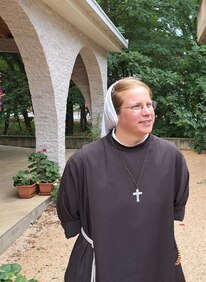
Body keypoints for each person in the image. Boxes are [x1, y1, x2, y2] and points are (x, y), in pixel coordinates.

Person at [57, 77, 189, 281]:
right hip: (104, 263)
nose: (147, 112)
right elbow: (70, 211)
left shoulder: (171, 156)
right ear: (114, 114)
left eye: (149, 104)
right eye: (136, 106)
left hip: (157, 261)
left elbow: (176, 203)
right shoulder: (84, 161)